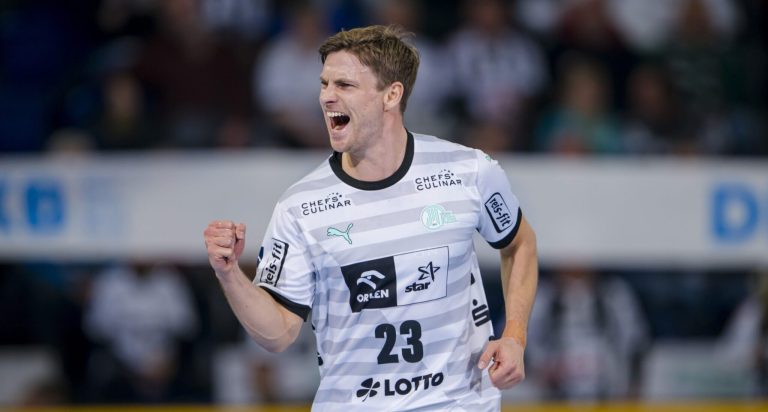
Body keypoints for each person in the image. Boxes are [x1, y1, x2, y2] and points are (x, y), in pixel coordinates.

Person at [203, 25, 539, 411]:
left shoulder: (468, 171)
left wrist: (515, 335)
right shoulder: (301, 206)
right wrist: (229, 274)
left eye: (344, 85)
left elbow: (520, 243)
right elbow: (278, 334)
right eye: (324, 84)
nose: (326, 97)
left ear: (391, 95)